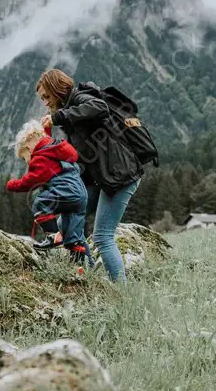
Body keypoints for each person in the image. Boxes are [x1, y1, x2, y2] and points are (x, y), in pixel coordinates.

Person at [37, 68, 143, 283]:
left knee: (103, 237)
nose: (46, 103)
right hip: (100, 176)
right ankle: (93, 278)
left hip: (120, 175)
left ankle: (122, 296)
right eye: (42, 99)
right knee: (66, 225)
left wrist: (58, 117)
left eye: (47, 96)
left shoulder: (80, 99)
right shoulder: (69, 112)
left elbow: (99, 107)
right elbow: (83, 151)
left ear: (57, 89)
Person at [6, 119, 90, 264]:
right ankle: (82, 268)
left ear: (28, 147)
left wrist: (13, 184)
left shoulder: (40, 158)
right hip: (80, 196)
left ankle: (52, 236)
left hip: (67, 191)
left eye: (24, 157)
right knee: (73, 237)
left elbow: (32, 180)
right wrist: (47, 130)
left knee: (40, 204)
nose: (26, 161)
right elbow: (46, 141)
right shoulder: (54, 149)